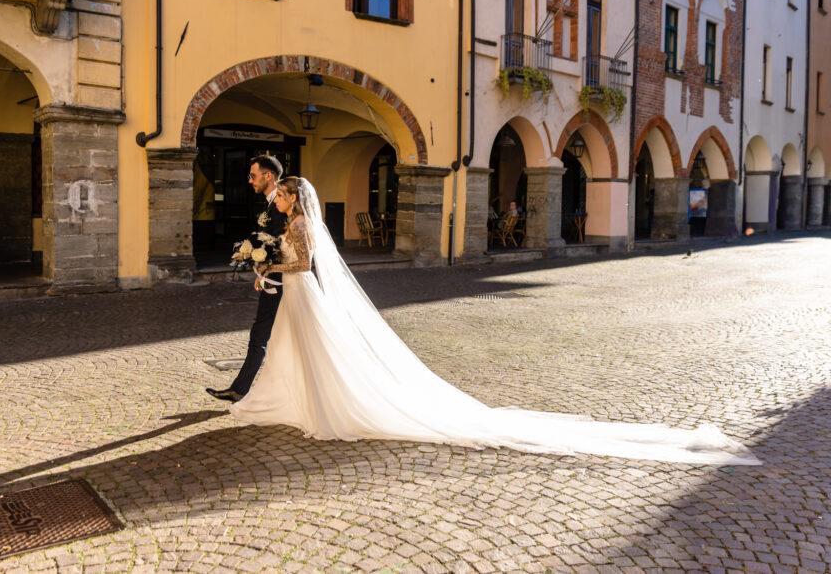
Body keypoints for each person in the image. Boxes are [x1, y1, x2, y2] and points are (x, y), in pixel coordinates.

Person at [225, 177, 760, 465]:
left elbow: (304, 261)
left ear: (295, 195)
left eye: (287, 192)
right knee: (294, 350)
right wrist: (267, 259)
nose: (284, 198)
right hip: (296, 294)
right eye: (285, 194)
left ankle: (324, 407)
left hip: (301, 290)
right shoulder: (292, 218)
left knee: (320, 351)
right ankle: (286, 401)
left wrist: (268, 261)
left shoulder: (302, 223)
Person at [206, 155, 288, 402]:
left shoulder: (282, 206)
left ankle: (240, 390)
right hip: (272, 278)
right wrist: (260, 267)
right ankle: (241, 388)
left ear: (268, 176)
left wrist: (268, 269)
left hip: (282, 283)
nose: (249, 180)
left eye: (253, 175)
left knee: (261, 334)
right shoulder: (270, 204)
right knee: (264, 334)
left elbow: (285, 246)